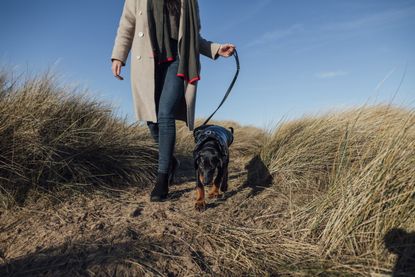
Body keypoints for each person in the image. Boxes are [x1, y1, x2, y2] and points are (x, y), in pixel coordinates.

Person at [111, 0, 236, 202]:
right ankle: (170, 163)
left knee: (165, 113)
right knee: (151, 120)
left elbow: (193, 36)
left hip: (178, 59)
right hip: (147, 59)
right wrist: (118, 56)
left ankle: (161, 179)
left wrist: (215, 49)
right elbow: (127, 24)